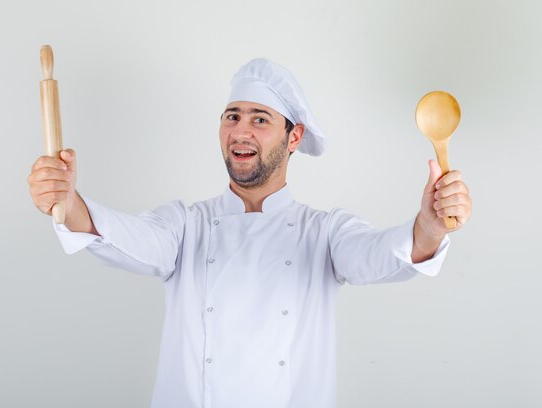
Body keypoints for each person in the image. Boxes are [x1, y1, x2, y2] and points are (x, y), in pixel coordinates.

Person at [27, 58, 472, 408]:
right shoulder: (187, 225)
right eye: (232, 116)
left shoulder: (325, 233)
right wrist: (70, 202)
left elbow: (381, 253)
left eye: (260, 119)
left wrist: (428, 228)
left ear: (293, 137)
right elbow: (126, 237)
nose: (240, 130)